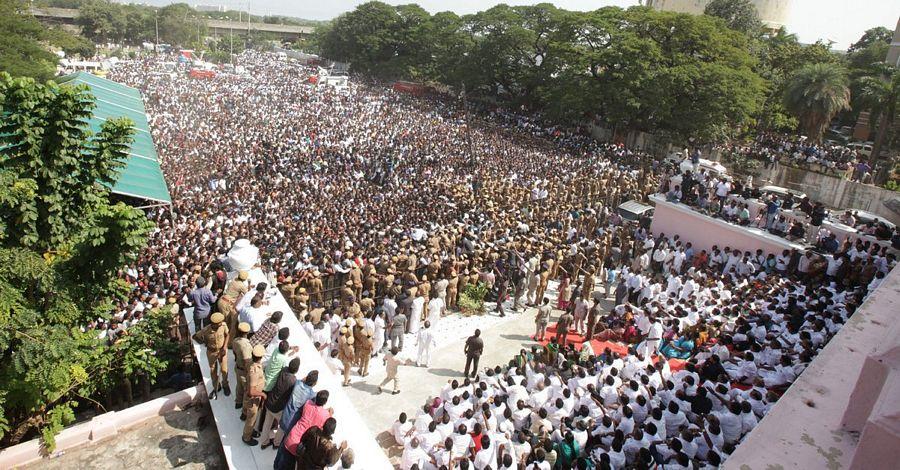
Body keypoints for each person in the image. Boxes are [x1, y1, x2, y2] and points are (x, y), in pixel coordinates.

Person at [259, 357, 300, 449]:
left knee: (267, 422)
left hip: (270, 402)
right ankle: (276, 443)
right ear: (297, 370)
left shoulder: (284, 370)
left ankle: (264, 442)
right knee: (282, 425)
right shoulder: (293, 381)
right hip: (278, 408)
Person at [192, 312, 230, 399]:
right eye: (219, 323)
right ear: (215, 324)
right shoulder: (206, 330)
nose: (221, 323)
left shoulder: (223, 326)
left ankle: (225, 385)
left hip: (222, 351)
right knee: (213, 370)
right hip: (211, 352)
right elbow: (194, 336)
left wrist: (224, 347)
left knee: (224, 370)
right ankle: (217, 386)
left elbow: (227, 335)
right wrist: (204, 343)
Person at [242, 345, 266, 445]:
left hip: (249, 396)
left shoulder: (250, 363)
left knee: (249, 415)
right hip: (253, 400)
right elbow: (252, 392)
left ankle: (245, 418)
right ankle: (246, 437)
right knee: (251, 419)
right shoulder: (255, 371)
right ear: (260, 357)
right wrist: (263, 394)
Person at [231, 322, 253, 410]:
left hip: (238, 367)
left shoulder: (235, 340)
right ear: (247, 333)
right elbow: (247, 361)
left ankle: (238, 402)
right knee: (246, 391)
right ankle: (244, 410)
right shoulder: (246, 346)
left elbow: (234, 353)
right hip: (244, 370)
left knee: (239, 386)